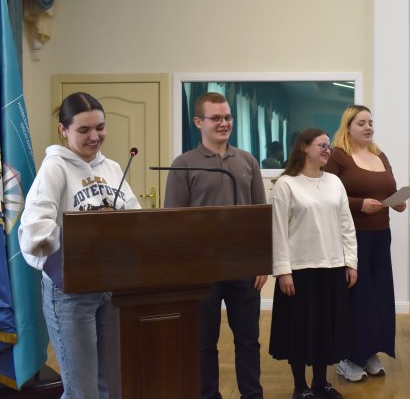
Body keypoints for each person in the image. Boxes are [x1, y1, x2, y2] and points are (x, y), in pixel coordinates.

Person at [19, 92, 141, 398]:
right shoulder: (55, 168)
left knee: (111, 387)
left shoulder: (113, 168)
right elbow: (33, 231)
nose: (94, 137)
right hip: (70, 292)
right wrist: (83, 236)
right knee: (81, 391)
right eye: (84, 130)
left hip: (110, 286)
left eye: (100, 127)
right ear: (63, 130)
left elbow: (136, 218)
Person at [164, 92, 267, 399]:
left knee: (248, 340)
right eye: (216, 118)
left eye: (228, 117)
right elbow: (173, 222)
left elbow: (260, 215)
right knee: (203, 343)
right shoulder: (183, 164)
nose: (224, 123)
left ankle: (252, 395)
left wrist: (262, 261)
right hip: (202, 270)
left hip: (244, 268)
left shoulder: (247, 161)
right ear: (198, 122)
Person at [269, 128, 358, 399]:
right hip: (299, 270)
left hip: (332, 266)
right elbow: (278, 231)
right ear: (304, 147)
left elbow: (346, 225)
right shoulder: (286, 184)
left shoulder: (335, 182)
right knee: (299, 329)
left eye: (329, 146)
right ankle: (300, 387)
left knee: (324, 328)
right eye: (321, 145)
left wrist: (351, 263)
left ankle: (321, 382)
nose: (327, 150)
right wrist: (283, 271)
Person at [323, 104, 405, 382]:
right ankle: (348, 357)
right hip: (352, 237)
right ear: (348, 127)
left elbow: (389, 188)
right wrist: (359, 205)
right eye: (361, 123)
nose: (368, 127)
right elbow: (326, 195)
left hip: (381, 235)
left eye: (370, 122)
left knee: (378, 295)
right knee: (357, 297)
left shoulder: (379, 154)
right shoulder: (337, 156)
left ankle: (369, 352)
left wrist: (398, 201)